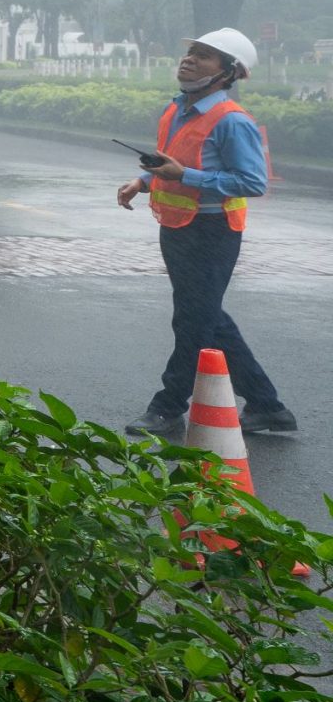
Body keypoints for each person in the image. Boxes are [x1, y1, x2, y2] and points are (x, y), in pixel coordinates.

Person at [120, 28, 295, 439]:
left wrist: (186, 176)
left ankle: (167, 408)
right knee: (208, 319)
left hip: (213, 232)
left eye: (204, 56)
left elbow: (252, 182)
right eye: (190, 52)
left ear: (227, 72)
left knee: (193, 323)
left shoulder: (233, 121)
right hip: (178, 228)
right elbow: (173, 162)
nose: (190, 59)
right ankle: (268, 406)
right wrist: (143, 182)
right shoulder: (178, 109)